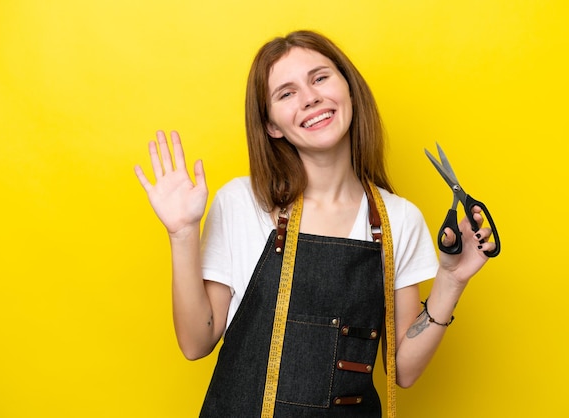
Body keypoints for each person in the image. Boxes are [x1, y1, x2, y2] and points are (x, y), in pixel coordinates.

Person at [134, 30, 495, 417]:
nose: (310, 98)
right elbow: (195, 342)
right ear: (271, 125)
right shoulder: (241, 202)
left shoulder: (398, 219)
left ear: (349, 89)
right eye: (286, 93)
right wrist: (183, 233)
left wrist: (452, 280)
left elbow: (402, 370)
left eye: (320, 77)